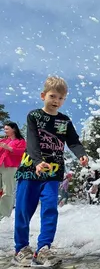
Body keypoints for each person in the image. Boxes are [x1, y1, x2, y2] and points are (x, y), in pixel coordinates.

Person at [12, 76, 89, 267]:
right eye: (53, 96)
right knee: (23, 209)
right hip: (30, 170)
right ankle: (20, 248)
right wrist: (38, 162)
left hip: (53, 173)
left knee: (50, 209)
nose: (56, 101)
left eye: (61, 98)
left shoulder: (64, 121)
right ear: (43, 95)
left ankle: (43, 249)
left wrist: (81, 154)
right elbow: (32, 141)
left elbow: (73, 141)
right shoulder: (34, 116)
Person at [0, 122, 26, 220]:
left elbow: (23, 152)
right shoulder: (4, 140)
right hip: (0, 165)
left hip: (10, 167)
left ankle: (4, 214)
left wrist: (9, 148)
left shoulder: (21, 141)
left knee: (8, 190)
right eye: (4, 129)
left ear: (13, 129)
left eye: (7, 129)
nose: (5, 131)